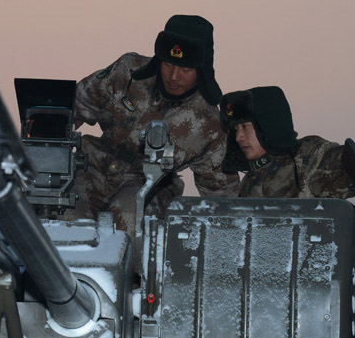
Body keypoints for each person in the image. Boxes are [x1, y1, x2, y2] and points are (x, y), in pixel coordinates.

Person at [70, 14, 240, 237]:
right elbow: (75, 104)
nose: (173, 76)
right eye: (168, 64)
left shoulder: (210, 124)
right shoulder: (127, 71)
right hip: (92, 167)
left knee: (127, 225)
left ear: (202, 70)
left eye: (186, 70)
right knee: (66, 219)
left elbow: (222, 194)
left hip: (149, 184)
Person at [219, 86, 355, 208]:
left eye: (245, 127)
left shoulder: (308, 158)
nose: (239, 137)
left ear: (266, 126)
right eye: (235, 130)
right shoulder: (248, 184)